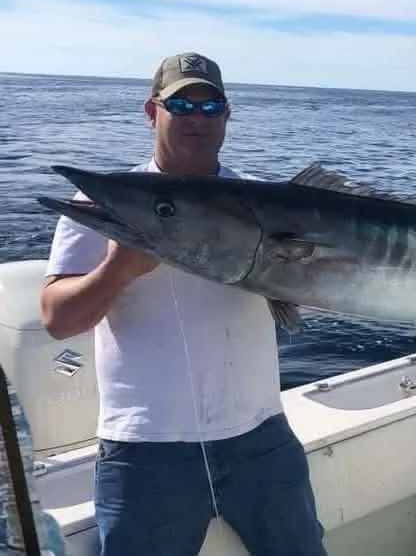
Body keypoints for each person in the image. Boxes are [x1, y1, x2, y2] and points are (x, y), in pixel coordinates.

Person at [39, 53, 327, 556]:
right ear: (153, 111)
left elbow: (325, 295)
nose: (197, 116)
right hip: (145, 452)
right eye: (181, 103)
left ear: (227, 114)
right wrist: (117, 271)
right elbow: (57, 320)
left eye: (211, 104)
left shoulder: (271, 203)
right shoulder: (108, 208)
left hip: (261, 439)